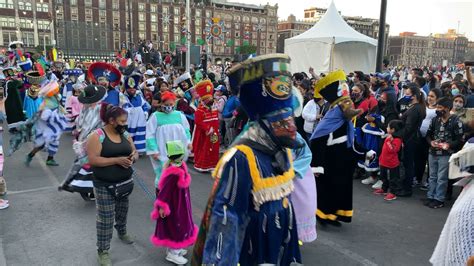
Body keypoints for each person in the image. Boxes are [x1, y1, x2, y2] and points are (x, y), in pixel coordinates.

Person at [192, 54, 302, 265]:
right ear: (265, 123)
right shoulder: (242, 157)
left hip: (281, 241)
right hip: (255, 249)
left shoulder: (283, 148)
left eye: (290, 118)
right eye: (281, 120)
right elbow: (226, 219)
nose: (291, 127)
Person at [86, 103, 138, 266]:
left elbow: (135, 152)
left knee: (123, 211)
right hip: (104, 185)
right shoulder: (96, 136)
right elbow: (93, 160)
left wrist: (133, 157)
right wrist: (116, 160)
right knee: (106, 219)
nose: (125, 124)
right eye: (122, 121)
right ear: (111, 121)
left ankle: (122, 232)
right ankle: (103, 250)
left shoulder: (125, 134)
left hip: (124, 183)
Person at [310, 70, 362, 226]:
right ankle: (323, 215)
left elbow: (351, 141)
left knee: (341, 187)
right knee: (328, 187)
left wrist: (364, 152)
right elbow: (318, 141)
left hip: (343, 159)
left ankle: (335, 215)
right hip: (330, 159)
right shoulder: (330, 120)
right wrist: (317, 165)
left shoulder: (345, 123)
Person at [150, 140, 198, 265]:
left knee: (181, 224)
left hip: (181, 203)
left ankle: (176, 248)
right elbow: (164, 192)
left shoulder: (179, 166)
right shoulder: (173, 173)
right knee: (176, 225)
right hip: (174, 205)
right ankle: (173, 253)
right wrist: (161, 206)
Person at [59, 84, 106, 199]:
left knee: (83, 164)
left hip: (84, 140)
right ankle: (80, 186)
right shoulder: (100, 109)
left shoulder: (85, 108)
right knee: (94, 167)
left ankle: (72, 183)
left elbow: (78, 124)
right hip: (95, 141)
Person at [146, 91, 191, 190]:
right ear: (161, 104)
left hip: (177, 148)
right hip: (162, 149)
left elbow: (186, 130)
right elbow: (150, 134)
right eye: (166, 105)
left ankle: (174, 196)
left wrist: (188, 142)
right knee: (163, 173)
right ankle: (161, 197)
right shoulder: (155, 116)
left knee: (176, 172)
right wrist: (154, 150)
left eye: (171, 104)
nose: (169, 107)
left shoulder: (180, 115)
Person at [424, 97, 464, 209]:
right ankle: (430, 196)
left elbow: (460, 139)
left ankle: (439, 199)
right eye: (437, 107)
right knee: (432, 176)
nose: (437, 109)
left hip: (446, 154)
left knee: (442, 177)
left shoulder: (456, 121)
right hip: (432, 152)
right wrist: (431, 142)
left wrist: (449, 145)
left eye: (440, 107)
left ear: (447, 108)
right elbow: (428, 135)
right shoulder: (435, 120)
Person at [25, 81, 68, 166]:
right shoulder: (47, 103)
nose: (58, 92)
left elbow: (59, 106)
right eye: (56, 91)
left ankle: (50, 159)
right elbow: (44, 117)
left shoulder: (55, 99)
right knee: (42, 144)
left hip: (53, 127)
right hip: (46, 128)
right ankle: (30, 155)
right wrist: (55, 118)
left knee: (54, 143)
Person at [399, 84, 426, 197]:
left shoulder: (415, 109)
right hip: (413, 138)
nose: (405, 96)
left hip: (410, 139)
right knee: (409, 164)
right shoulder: (418, 106)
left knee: (408, 164)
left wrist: (398, 136)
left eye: (408, 94)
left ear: (414, 96)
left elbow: (409, 128)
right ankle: (406, 185)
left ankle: (407, 188)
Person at [416, 88, 442, 189]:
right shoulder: (423, 106)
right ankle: (418, 178)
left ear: (437, 98)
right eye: (429, 96)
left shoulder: (438, 109)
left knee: (429, 160)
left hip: (430, 138)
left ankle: (428, 181)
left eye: (432, 96)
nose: (430, 98)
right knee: (419, 159)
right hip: (420, 136)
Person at [192, 80, 220, 172]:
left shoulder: (214, 108)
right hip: (204, 134)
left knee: (214, 149)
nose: (210, 100)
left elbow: (216, 119)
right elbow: (198, 122)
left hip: (214, 133)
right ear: (203, 100)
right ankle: (203, 165)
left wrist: (216, 129)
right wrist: (208, 128)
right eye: (207, 99)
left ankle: (212, 165)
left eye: (210, 99)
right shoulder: (200, 110)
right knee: (204, 148)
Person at [373, 120, 404, 201]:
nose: (387, 128)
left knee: (393, 179)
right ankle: (384, 189)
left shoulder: (397, 139)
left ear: (393, 129)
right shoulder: (389, 136)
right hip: (384, 161)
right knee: (383, 177)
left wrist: (388, 141)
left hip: (392, 163)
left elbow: (393, 150)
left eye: (388, 127)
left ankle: (393, 193)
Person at [122, 73, 150, 154]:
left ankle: (139, 150)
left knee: (139, 134)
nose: (132, 90)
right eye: (130, 89)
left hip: (139, 120)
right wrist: (127, 111)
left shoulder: (139, 97)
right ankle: (128, 149)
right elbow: (120, 107)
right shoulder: (123, 97)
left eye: (134, 89)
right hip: (128, 121)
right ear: (126, 89)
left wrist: (145, 112)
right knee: (128, 134)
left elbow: (144, 105)